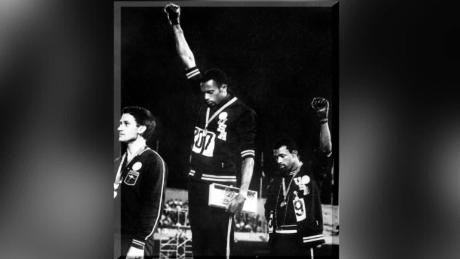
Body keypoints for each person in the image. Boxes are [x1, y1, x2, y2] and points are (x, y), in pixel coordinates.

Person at [164, 3, 257, 258]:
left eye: (210, 92)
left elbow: (248, 156)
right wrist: (175, 24)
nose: (204, 96)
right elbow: (187, 59)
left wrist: (242, 192)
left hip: (223, 186)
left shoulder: (244, 113)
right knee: (199, 245)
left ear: (224, 88)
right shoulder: (201, 96)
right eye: (203, 91)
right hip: (196, 182)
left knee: (220, 246)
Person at [264, 97, 333, 258]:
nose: (278, 161)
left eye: (282, 156)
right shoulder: (276, 178)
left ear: (294, 154)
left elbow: (325, 150)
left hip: (301, 241)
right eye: (276, 158)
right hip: (278, 240)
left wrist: (323, 120)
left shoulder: (310, 171)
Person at [114, 106, 167, 259]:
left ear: (141, 128)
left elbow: (153, 207)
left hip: (136, 243)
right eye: (120, 123)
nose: (119, 127)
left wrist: (139, 243)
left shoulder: (154, 161)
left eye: (126, 123)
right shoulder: (116, 163)